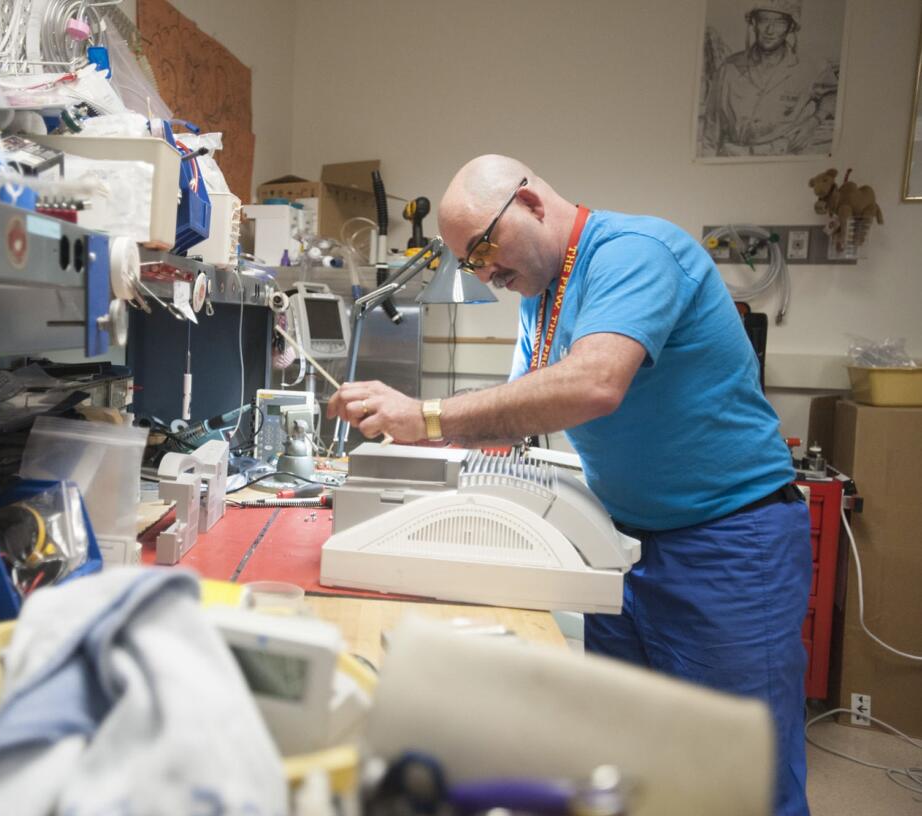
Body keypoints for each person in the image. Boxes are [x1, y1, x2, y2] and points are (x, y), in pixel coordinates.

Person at [326, 154, 812, 816]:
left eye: (485, 248)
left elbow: (592, 384)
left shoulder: (635, 253)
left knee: (736, 781)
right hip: (624, 543)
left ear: (529, 202)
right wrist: (404, 439)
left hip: (727, 541)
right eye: (470, 263)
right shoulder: (541, 294)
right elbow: (520, 410)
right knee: (628, 768)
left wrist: (428, 414)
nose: (486, 273)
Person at [701, 0, 838, 157]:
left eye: (779, 22)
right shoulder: (729, 68)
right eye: (764, 20)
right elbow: (711, 130)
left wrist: (814, 121)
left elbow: (834, 94)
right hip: (733, 159)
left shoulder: (811, 67)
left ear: (791, 27)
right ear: (753, 23)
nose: (770, 30)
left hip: (782, 162)